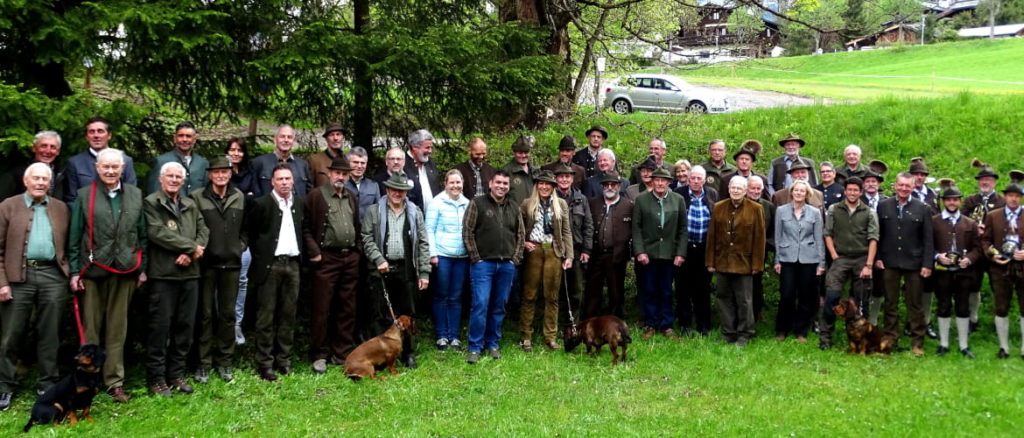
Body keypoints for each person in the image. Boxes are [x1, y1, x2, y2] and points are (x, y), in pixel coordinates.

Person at [68, 148, 147, 403]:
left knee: (117, 330)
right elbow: (75, 235)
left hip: (124, 271)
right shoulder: (84, 195)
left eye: (115, 167)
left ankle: (115, 381)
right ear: (97, 168)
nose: (111, 171)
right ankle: (87, 380)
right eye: (106, 167)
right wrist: (73, 271)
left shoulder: (135, 195)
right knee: (91, 329)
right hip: (92, 271)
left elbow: (142, 234)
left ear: (122, 168)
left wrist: (141, 267)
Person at [0, 163, 71, 410]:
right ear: (26, 181)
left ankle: (47, 383)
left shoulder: (61, 208)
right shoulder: (8, 206)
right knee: (11, 335)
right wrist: (2, 283)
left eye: (45, 179)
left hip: (53, 275)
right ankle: (5, 386)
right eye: (36, 178)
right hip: (18, 277)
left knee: (50, 333)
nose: (41, 183)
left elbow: (69, 245)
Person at [143, 162, 209, 397]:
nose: (174, 180)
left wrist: (193, 251)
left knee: (185, 327)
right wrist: (191, 247)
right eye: (169, 176)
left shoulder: (190, 204)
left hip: (190, 274)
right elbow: (157, 233)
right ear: (161, 179)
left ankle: (176, 374)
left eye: (178, 177)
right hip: (164, 274)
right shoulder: (151, 203)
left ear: (183, 181)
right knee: (160, 328)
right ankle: (156, 378)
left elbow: (204, 230)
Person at [362, 173, 430, 369]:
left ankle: (408, 353)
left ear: (406, 192)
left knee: (407, 313)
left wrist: (424, 273)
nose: (397, 193)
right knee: (380, 313)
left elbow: (423, 243)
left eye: (401, 190)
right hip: (381, 269)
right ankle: (381, 356)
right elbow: (366, 238)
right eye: (394, 189)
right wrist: (378, 259)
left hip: (407, 268)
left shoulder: (415, 212)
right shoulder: (374, 211)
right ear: (387, 190)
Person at [303, 156, 362, 373]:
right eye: (338, 173)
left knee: (347, 307)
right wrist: (315, 252)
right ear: (330, 174)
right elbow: (306, 227)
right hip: (326, 258)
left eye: (345, 174)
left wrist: (357, 251)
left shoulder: (351, 197)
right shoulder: (316, 196)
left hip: (349, 259)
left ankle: (343, 351)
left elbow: (357, 225)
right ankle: (319, 354)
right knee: (322, 308)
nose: (341, 177)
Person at [190, 157, 245, 384]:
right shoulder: (197, 197)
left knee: (228, 315)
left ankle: (225, 362)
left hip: (231, 264)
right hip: (206, 265)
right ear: (210, 175)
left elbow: (246, 228)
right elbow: (193, 228)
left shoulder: (238, 196)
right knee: (204, 315)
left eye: (225, 172)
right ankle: (203, 364)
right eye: (216, 172)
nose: (221, 176)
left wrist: (239, 247)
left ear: (230, 174)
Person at [247, 164, 304, 381]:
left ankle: (284, 360)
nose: (284, 182)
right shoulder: (262, 204)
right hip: (270, 266)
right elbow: (252, 235)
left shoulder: (298, 203)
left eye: (288, 179)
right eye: (280, 179)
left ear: (293, 181)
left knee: (288, 315)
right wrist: (263, 259)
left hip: (293, 265)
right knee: (266, 316)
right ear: (272, 181)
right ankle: (265, 363)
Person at [463, 170, 524, 364]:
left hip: (506, 265)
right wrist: (476, 257)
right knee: (480, 304)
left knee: (499, 306)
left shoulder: (514, 207)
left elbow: (520, 235)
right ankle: (475, 346)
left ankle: (493, 343)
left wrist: (514, 259)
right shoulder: (477, 203)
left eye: (505, 183)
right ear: (490, 184)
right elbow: (467, 231)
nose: (501, 186)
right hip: (483, 264)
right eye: (498, 182)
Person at [877, 172, 934, 356]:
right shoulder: (883, 206)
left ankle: (917, 342)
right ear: (895, 186)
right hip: (889, 261)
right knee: (890, 303)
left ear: (913, 187)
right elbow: (878, 235)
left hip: (914, 262)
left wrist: (927, 264)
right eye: (900, 185)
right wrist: (877, 257)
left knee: (915, 304)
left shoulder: (922, 208)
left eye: (907, 186)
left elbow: (928, 239)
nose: (903, 189)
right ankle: (890, 339)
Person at [706, 176, 765, 347]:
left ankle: (745, 333)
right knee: (723, 298)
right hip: (723, 261)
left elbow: (759, 238)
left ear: (746, 190)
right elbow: (712, 236)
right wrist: (710, 261)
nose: (736, 190)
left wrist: (757, 264)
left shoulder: (755, 208)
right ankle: (728, 332)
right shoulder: (719, 207)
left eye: (740, 188)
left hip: (744, 263)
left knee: (744, 300)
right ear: (729, 189)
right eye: (733, 187)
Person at [821, 177, 879, 351]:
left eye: (856, 190)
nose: (852, 193)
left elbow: (873, 239)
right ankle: (825, 337)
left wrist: (868, 265)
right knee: (832, 296)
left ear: (861, 192)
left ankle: (863, 339)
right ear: (845, 191)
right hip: (841, 258)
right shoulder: (834, 209)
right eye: (849, 190)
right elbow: (827, 234)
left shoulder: (869, 212)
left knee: (862, 301)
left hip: (862, 258)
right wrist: (834, 255)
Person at [519, 171, 573, 351]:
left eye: (548, 184)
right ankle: (526, 335)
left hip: (553, 251)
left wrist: (569, 255)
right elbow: (519, 228)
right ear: (537, 185)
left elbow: (566, 231)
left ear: (553, 187)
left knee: (552, 296)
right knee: (529, 294)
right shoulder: (527, 204)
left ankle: (550, 336)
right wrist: (523, 243)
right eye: (541, 183)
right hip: (534, 250)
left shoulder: (560, 204)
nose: (544, 187)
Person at [633, 167, 687, 339]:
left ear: (669, 182)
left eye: (663, 180)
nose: (660, 183)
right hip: (648, 254)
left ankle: (666, 325)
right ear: (652, 181)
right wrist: (640, 251)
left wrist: (680, 253)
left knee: (666, 290)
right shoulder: (642, 200)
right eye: (657, 180)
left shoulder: (678, 200)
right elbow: (636, 228)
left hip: (670, 254)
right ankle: (650, 324)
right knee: (649, 289)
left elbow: (683, 229)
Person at [931, 181, 980, 358]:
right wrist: (937, 257)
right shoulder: (934, 222)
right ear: (944, 201)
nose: (952, 203)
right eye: (949, 200)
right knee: (943, 305)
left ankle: (963, 345)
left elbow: (978, 248)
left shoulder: (970, 223)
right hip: (942, 270)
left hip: (964, 272)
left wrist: (969, 259)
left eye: (955, 200)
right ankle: (943, 344)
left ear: (960, 201)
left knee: (963, 306)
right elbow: (928, 246)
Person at [773, 180, 825, 342]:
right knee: (787, 294)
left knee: (805, 296)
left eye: (802, 191)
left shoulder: (814, 213)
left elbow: (819, 238)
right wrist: (777, 260)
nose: (799, 193)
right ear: (792, 192)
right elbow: (777, 237)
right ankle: (782, 329)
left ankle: (801, 331)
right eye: (796, 190)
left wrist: (821, 263)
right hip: (787, 258)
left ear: (807, 194)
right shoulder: (781, 211)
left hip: (808, 259)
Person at [425, 170, 470, 351]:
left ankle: (454, 336)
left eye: (458, 182)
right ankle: (441, 335)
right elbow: (429, 229)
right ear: (445, 183)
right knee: (441, 295)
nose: (455, 186)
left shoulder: (467, 203)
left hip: (462, 257)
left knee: (456, 297)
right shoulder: (437, 202)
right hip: (442, 256)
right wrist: (433, 254)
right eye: (452, 182)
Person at [980, 174, 1024, 359]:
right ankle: (1004, 347)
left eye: (1017, 196)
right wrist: (992, 253)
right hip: (1000, 267)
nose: (1013, 199)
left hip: (1023, 266)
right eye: (1010, 195)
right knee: (1001, 306)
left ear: (1020, 198)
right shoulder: (993, 216)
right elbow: (985, 239)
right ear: (1005, 196)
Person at [961, 159, 1004, 332]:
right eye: (982, 179)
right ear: (979, 182)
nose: (985, 182)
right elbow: (961, 220)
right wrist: (973, 226)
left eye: (989, 179)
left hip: (995, 249)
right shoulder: (970, 200)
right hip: (976, 249)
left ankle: (999, 318)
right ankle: (973, 318)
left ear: (994, 182)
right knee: (974, 285)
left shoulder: (1002, 201)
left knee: (998, 285)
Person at [675, 166, 718, 336]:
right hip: (684, 248)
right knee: (682, 289)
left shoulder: (712, 194)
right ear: (688, 178)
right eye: (692, 178)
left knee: (703, 288)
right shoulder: (679, 193)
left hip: (704, 248)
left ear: (704, 179)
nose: (695, 181)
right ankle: (685, 324)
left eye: (699, 178)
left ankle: (704, 325)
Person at [585, 172, 632, 319]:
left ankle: (616, 320)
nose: (610, 187)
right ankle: (590, 318)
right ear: (602, 187)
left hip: (617, 254)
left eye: (613, 185)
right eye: (606, 185)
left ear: (619, 186)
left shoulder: (629, 205)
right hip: (596, 253)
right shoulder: (592, 203)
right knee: (593, 288)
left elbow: (634, 230)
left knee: (616, 289)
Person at [553, 164, 593, 330]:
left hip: (576, 250)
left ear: (572, 178)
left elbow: (588, 225)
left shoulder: (581, 199)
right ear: (556, 179)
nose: (564, 179)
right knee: (555, 289)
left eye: (567, 177)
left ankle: (573, 325)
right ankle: (554, 325)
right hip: (555, 250)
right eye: (561, 176)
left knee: (576, 290)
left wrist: (586, 249)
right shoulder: (550, 197)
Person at [64, 116, 138, 204]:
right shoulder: (75, 163)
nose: (96, 135)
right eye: (92, 132)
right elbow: (72, 199)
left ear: (109, 135)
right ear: (87, 137)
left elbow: (131, 195)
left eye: (100, 131)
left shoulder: (125, 161)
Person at [226, 138, 255, 345]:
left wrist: (246, 198)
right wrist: (245, 196)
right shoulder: (220, 174)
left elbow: (253, 201)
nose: (235, 153)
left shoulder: (249, 173)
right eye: (231, 150)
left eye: (239, 150)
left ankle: (237, 323)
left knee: (242, 281)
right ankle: (224, 323)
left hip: (244, 235)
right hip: (222, 236)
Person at [146, 121, 209, 196]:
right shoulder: (161, 161)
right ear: (175, 138)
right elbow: (153, 193)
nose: (184, 139)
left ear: (194, 139)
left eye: (188, 136)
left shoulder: (203, 163)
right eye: (181, 136)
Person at [0, 131, 67, 201]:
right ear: (34, 148)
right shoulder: (16, 173)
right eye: (43, 146)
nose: (48, 151)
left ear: (58, 151)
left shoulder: (61, 173)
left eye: (53, 147)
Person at [250, 125, 313, 198]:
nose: (286, 140)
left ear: (293, 141)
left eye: (289, 137)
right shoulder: (259, 163)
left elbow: (310, 192)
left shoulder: (302, 165)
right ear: (275, 140)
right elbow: (254, 192)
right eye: (282, 136)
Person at [747, 176, 775, 322]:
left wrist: (766, 245)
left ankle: (757, 312)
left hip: (760, 252)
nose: (756, 191)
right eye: (753, 188)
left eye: (759, 189)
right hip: (741, 252)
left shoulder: (768, 206)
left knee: (756, 282)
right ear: (747, 189)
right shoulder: (740, 203)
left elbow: (773, 231)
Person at [403, 129, 440, 212]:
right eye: (427, 147)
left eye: (431, 147)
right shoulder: (402, 164)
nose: (430, 151)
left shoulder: (431, 164)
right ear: (414, 147)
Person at [344, 147, 381, 219]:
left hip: (368, 228)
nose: (359, 166)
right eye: (355, 162)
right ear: (348, 163)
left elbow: (378, 212)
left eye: (363, 163)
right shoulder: (342, 184)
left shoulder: (374, 185)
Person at [503, 135, 538, 208]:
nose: (523, 155)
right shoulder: (505, 171)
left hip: (534, 215)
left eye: (526, 152)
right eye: (520, 153)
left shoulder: (536, 171)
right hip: (515, 216)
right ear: (514, 153)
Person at [309, 124, 348, 188]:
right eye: (331, 135)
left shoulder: (347, 160)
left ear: (343, 137)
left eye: (338, 134)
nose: (335, 138)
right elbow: (309, 188)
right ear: (326, 139)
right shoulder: (314, 160)